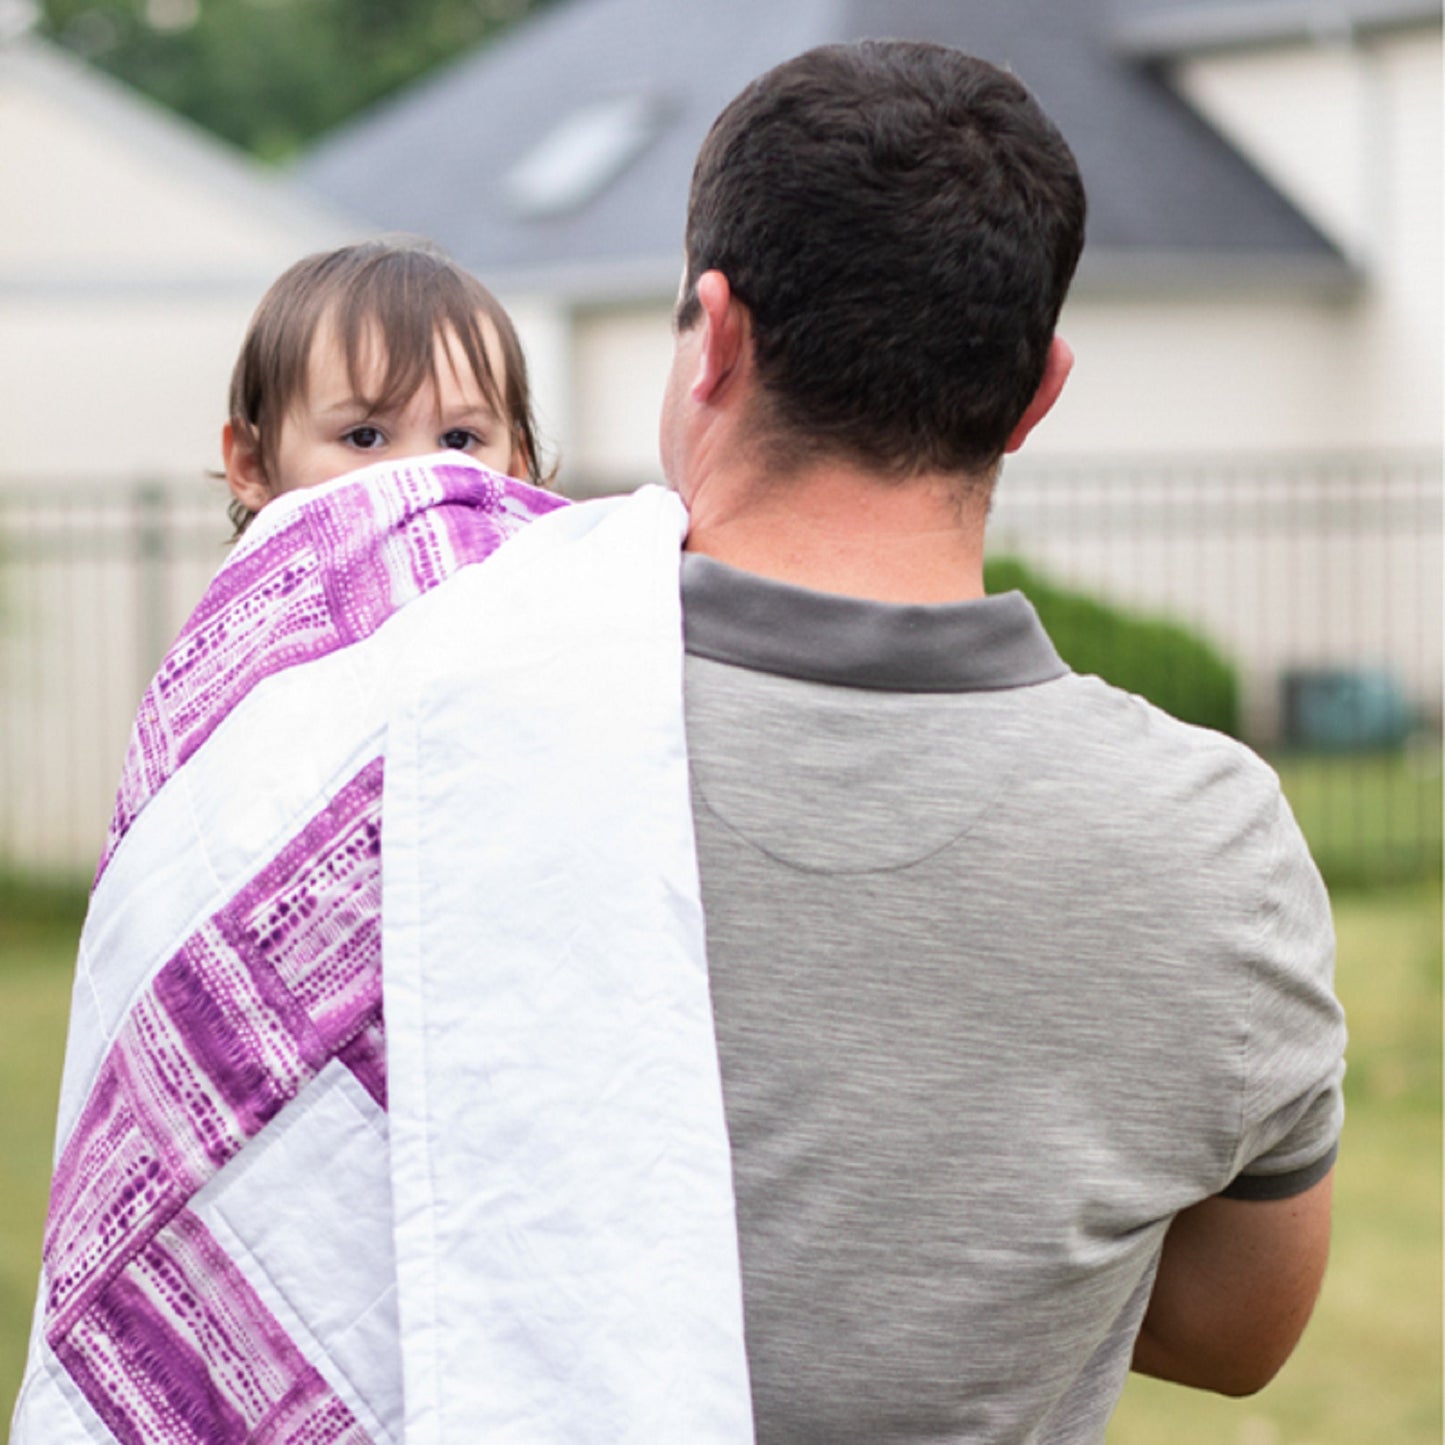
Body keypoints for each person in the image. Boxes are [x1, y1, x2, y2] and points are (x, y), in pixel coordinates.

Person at [659, 40, 1346, 1441]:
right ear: (1037, 390)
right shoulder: (1213, 842)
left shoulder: (464, 735)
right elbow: (1237, 1334)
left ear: (715, 339)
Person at [9, 238, 568, 1443]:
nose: (418, 481)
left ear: (522, 458)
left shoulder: (562, 629)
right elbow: (172, 903)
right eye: (363, 438)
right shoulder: (229, 670)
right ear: (252, 462)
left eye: (462, 441)